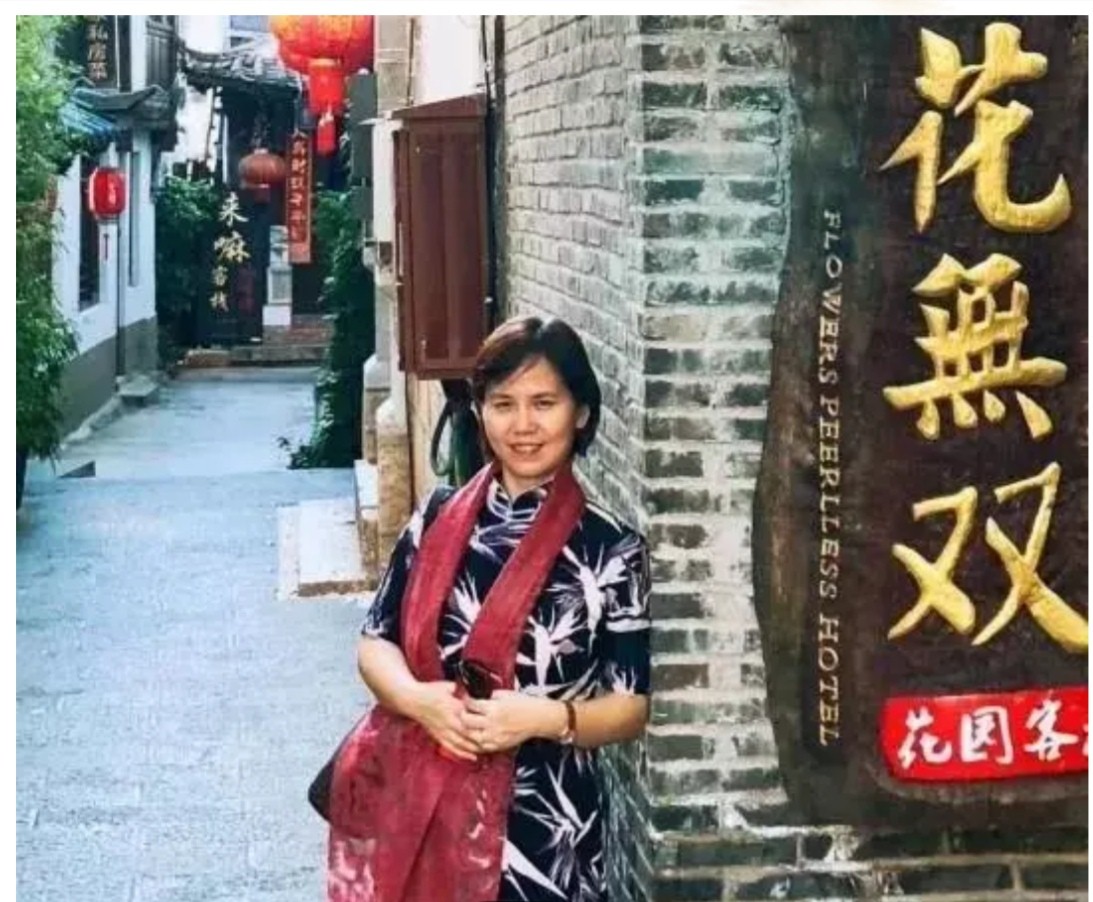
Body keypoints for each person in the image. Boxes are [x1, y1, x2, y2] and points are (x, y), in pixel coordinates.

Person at [327, 315, 651, 902]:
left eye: (544, 403)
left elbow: (630, 707)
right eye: (503, 404)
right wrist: (420, 701)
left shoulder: (611, 549)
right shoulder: (437, 517)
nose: (523, 425)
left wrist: (547, 719)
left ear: (580, 412)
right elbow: (375, 642)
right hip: (421, 811)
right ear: (480, 412)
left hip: (545, 832)